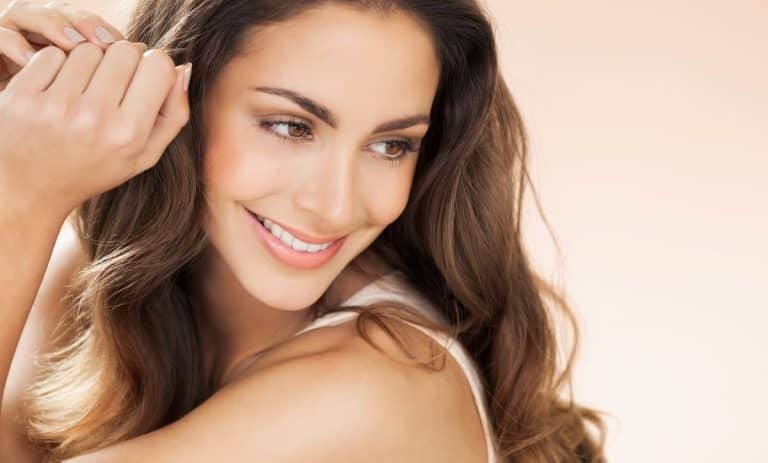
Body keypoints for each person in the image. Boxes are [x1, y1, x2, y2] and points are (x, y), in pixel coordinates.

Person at [0, 0, 607, 462]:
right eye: (291, 127)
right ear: (179, 97)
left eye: (391, 144)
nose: (336, 206)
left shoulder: (376, 384)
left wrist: (18, 190)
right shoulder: (97, 270)